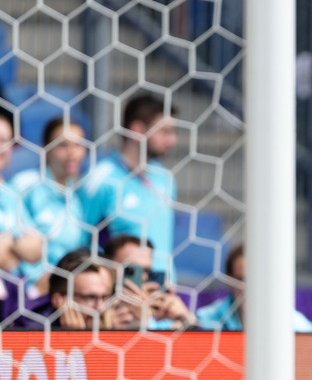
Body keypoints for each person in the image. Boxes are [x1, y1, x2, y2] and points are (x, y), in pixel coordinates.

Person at [79, 93, 179, 279]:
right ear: (138, 130)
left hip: (163, 287)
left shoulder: (166, 178)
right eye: (165, 131)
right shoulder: (101, 178)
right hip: (124, 289)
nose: (173, 140)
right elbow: (82, 241)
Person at [8, 117, 93, 296]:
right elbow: (10, 238)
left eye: (78, 145)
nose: (72, 153)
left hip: (60, 294)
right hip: (24, 294)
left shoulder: (76, 200)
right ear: (45, 148)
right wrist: (36, 284)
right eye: (63, 145)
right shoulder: (26, 186)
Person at [195, 244, 312, 332]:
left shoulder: (294, 324)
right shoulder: (205, 319)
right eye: (242, 279)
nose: (251, 289)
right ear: (229, 279)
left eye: (257, 280)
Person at [103, 234, 196, 330]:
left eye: (147, 271)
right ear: (108, 267)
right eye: (132, 270)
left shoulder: (161, 313)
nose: (143, 277)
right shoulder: (96, 308)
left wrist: (185, 320)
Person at [14, 248, 114, 330]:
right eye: (89, 297)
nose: (101, 307)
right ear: (58, 300)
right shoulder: (31, 333)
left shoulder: (117, 325)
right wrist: (74, 340)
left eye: (105, 297)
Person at [0, 109, 19, 272]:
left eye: (6, 141)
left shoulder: (10, 191)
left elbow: (36, 246)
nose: (2, 148)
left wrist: (11, 244)